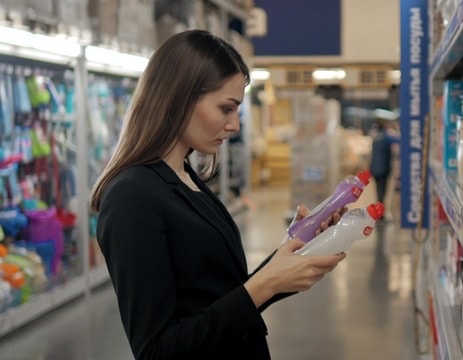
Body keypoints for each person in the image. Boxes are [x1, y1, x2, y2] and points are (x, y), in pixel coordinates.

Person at [89, 30, 346, 359]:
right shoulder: (132, 197)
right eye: (226, 109)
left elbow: (223, 294)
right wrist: (265, 284)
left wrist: (294, 251)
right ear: (179, 97)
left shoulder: (185, 176)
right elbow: (156, 351)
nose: (235, 125)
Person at [368, 116, 399, 209]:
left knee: (378, 190)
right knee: (383, 191)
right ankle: (380, 212)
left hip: (374, 168)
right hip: (383, 169)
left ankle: (379, 209)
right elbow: (398, 140)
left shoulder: (375, 138)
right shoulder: (386, 137)